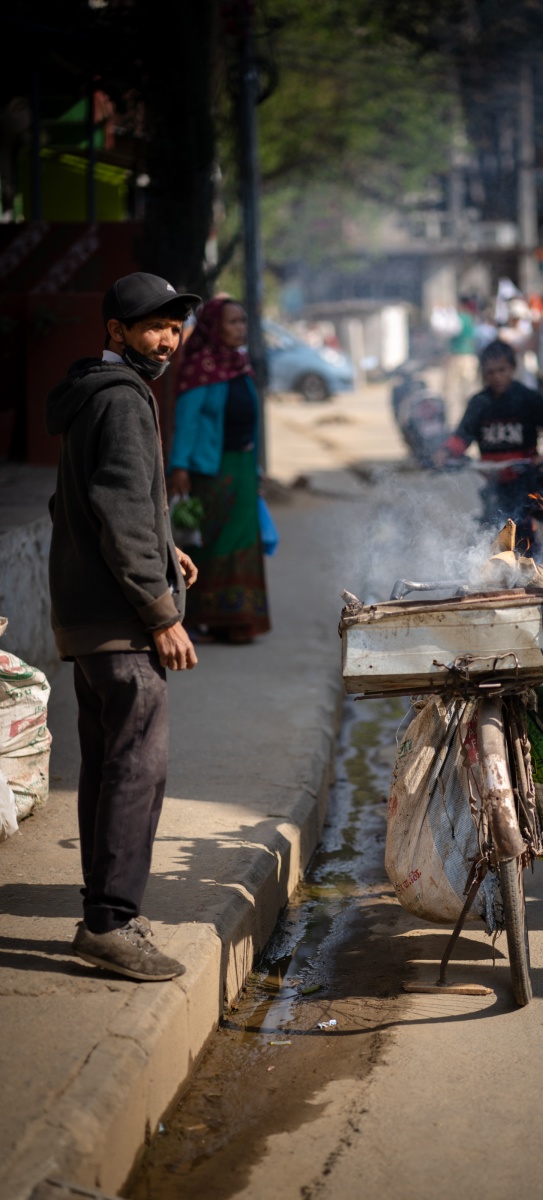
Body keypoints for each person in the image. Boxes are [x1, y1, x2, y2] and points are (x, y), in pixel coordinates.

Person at [46, 271, 201, 981]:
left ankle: (103, 915)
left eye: (175, 327)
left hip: (86, 614)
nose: (167, 338)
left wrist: (165, 549)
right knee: (138, 767)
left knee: (109, 768)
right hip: (120, 623)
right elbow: (117, 509)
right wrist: (161, 612)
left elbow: (91, 503)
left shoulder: (90, 393)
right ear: (117, 331)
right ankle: (111, 922)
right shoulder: (124, 402)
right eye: (153, 326)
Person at [167, 297, 271, 644]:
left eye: (243, 321)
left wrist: (256, 469)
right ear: (214, 327)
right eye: (233, 322)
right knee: (212, 541)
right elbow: (187, 421)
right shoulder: (201, 367)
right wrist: (179, 466)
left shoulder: (240, 364)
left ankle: (238, 618)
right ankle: (200, 616)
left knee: (243, 538)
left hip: (242, 465)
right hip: (210, 469)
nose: (241, 328)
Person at [438, 338, 543, 531]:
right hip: (492, 479)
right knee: (490, 526)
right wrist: (445, 452)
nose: (496, 377)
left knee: (522, 527)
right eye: (490, 372)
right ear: (483, 373)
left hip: (523, 478)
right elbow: (462, 436)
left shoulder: (529, 399)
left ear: (513, 368)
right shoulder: (479, 402)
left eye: (502, 370)